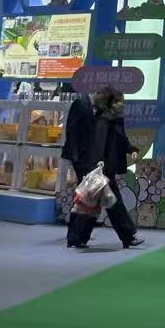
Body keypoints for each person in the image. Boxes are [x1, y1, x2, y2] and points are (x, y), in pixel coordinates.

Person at [69, 89, 144, 249]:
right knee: (109, 202)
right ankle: (127, 236)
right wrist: (96, 165)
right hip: (100, 167)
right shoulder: (102, 120)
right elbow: (98, 144)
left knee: (92, 202)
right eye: (118, 102)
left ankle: (77, 238)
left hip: (103, 166)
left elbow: (120, 139)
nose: (121, 105)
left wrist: (131, 149)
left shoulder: (110, 120)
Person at [60, 78, 98, 248]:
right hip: (82, 157)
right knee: (85, 196)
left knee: (86, 196)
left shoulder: (87, 105)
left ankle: (77, 235)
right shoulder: (80, 104)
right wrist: (75, 154)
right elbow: (72, 130)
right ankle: (76, 235)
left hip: (85, 157)